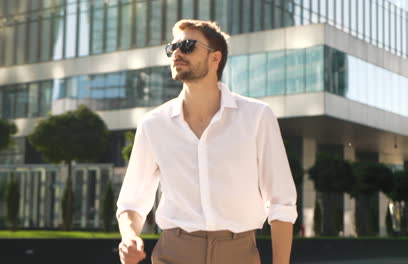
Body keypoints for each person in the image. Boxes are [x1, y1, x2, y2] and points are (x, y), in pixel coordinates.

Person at [116, 19, 297, 264]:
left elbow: (281, 201)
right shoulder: (153, 124)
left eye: (188, 45)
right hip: (173, 253)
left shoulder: (256, 117)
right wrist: (129, 237)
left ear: (215, 58)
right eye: (173, 47)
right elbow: (132, 202)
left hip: (239, 254)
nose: (177, 52)